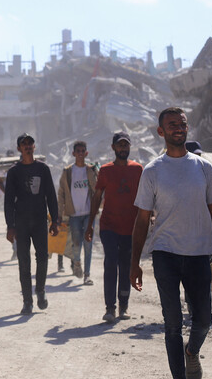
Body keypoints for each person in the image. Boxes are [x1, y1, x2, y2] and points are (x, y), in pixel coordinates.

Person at [130, 107, 212, 379]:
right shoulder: (152, 171)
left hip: (200, 254)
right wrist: (134, 262)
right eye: (172, 124)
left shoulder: (203, 168)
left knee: (204, 320)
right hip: (166, 254)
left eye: (182, 123)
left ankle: (191, 352)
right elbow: (142, 219)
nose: (178, 128)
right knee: (172, 323)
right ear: (161, 131)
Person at [85, 131, 143, 322]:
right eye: (120, 145)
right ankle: (110, 308)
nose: (123, 148)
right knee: (110, 262)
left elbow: (145, 195)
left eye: (126, 145)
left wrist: (149, 216)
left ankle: (123, 306)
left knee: (126, 265)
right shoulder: (106, 170)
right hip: (109, 225)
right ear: (113, 148)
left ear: (129, 147)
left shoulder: (138, 169)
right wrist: (90, 224)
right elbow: (97, 197)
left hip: (130, 227)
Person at [4, 133, 58, 315]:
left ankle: (40, 290)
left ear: (34, 147)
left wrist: (55, 220)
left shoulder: (43, 169)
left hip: (40, 220)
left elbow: (51, 195)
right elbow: (9, 201)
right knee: (24, 261)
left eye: (30, 143)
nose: (27, 146)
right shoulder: (14, 172)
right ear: (19, 148)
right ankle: (27, 301)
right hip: (21, 223)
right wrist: (10, 226)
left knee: (42, 257)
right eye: (24, 144)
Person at [57, 141, 98, 285]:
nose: (80, 154)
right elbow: (61, 193)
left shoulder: (91, 170)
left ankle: (87, 275)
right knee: (76, 243)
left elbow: (98, 190)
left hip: (88, 214)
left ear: (86, 153)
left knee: (88, 244)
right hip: (74, 214)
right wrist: (59, 214)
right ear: (73, 153)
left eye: (82, 151)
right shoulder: (68, 172)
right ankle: (77, 262)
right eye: (78, 151)